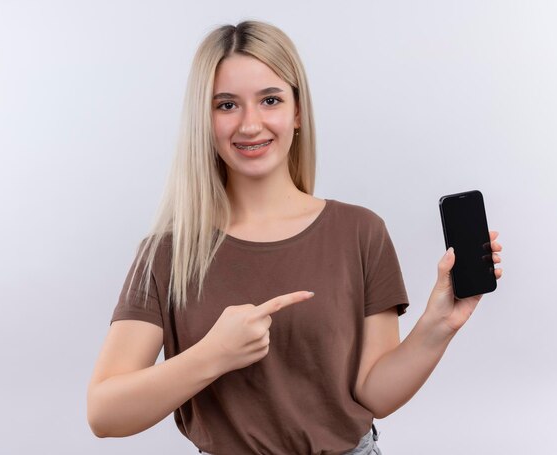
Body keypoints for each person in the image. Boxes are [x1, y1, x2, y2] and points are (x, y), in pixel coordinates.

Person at [86, 20, 503, 455]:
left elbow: (373, 394)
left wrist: (438, 325)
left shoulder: (360, 231)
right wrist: (213, 355)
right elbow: (104, 412)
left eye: (270, 100)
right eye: (226, 105)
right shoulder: (168, 253)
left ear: (297, 111)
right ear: (203, 120)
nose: (250, 124)